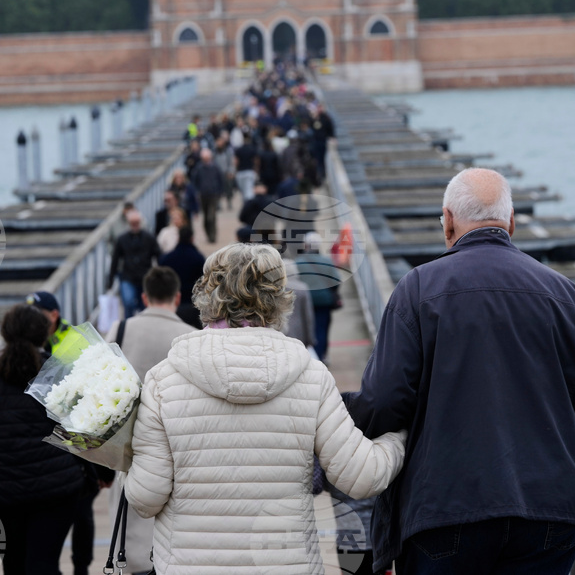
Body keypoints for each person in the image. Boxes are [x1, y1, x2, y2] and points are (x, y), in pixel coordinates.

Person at [345, 168, 575, 574]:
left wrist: (331, 417)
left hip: (445, 510)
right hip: (549, 515)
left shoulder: (417, 290)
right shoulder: (566, 295)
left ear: (447, 220)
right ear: (511, 223)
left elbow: (384, 402)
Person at [124, 243, 406, 575]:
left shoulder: (164, 380)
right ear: (277, 297)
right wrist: (397, 438)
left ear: (208, 294)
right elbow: (362, 477)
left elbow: (146, 497)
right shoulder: (310, 376)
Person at [0, 305, 87, 575]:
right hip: (57, 487)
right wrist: (98, 473)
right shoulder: (61, 374)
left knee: (13, 565)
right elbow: (81, 428)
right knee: (45, 563)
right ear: (44, 335)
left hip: (1, 492)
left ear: (5, 334)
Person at [104, 267, 197, 575]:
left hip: (129, 455)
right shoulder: (192, 338)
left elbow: (100, 393)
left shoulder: (119, 330)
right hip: (180, 454)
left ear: (143, 296)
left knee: (133, 543)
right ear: (177, 297)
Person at [25, 291, 107, 575]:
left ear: (54, 315)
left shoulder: (76, 339)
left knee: (82, 510)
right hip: (39, 439)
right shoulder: (25, 345)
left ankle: (81, 568)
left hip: (75, 432)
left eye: (38, 314)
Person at [295, 232, 341, 364]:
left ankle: (308, 357)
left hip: (305, 300)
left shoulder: (298, 262)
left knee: (306, 328)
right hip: (324, 300)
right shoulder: (327, 261)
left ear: (305, 245)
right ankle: (321, 357)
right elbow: (337, 280)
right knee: (322, 329)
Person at [108, 210, 160, 318]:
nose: (135, 225)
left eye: (137, 222)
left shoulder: (149, 238)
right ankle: (129, 326)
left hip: (145, 276)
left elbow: (158, 255)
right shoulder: (122, 239)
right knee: (128, 303)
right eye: (132, 223)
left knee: (145, 306)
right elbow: (115, 260)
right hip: (128, 276)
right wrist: (111, 278)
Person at [158, 225, 205, 329]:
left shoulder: (166, 259)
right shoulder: (199, 258)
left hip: (171, 305)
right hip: (194, 306)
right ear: (192, 239)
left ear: (178, 238)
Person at [191, 147, 225, 244]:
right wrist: (197, 191)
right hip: (203, 195)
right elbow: (194, 181)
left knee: (212, 216)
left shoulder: (215, 167)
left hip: (214, 195)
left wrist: (220, 192)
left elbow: (221, 179)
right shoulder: (199, 168)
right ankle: (208, 234)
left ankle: (213, 236)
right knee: (206, 216)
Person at [281, 260, 315, 354]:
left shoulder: (277, 288)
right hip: (299, 331)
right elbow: (308, 315)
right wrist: (310, 338)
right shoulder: (302, 287)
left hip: (281, 330)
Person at [233, 132, 259, 202]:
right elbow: (256, 161)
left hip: (241, 172)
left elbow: (235, 162)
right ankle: (248, 205)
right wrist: (256, 170)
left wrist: (235, 171)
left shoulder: (239, 150)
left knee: (244, 192)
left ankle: (247, 205)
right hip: (249, 172)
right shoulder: (252, 149)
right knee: (249, 191)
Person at [213, 134, 236, 210]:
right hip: (217, 174)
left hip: (226, 173)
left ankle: (229, 202)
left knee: (228, 189)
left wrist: (231, 171)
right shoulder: (214, 151)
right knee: (217, 190)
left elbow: (231, 163)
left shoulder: (227, 151)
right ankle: (218, 204)